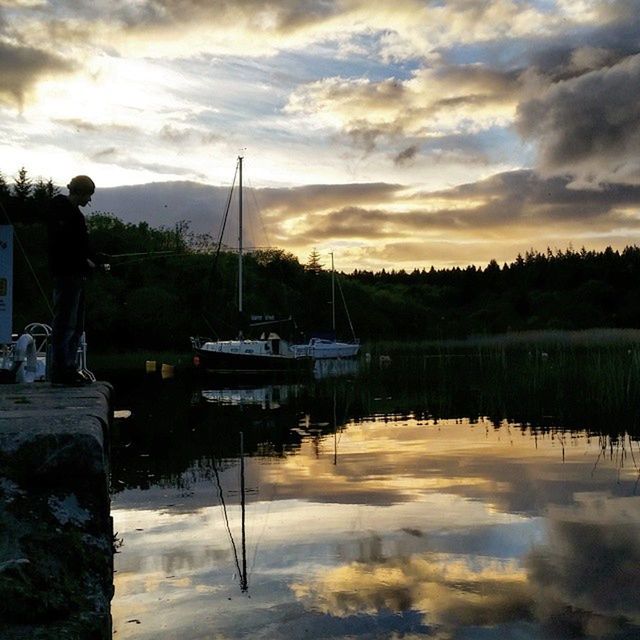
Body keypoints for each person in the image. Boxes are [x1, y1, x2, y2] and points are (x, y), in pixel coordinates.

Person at [47, 175, 96, 385]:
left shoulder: (76, 215)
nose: (89, 201)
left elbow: (80, 247)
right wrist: (85, 262)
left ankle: (70, 367)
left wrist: (92, 260)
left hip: (77, 275)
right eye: (88, 195)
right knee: (65, 323)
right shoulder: (60, 211)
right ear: (80, 192)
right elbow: (64, 246)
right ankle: (61, 371)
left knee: (76, 325)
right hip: (67, 275)